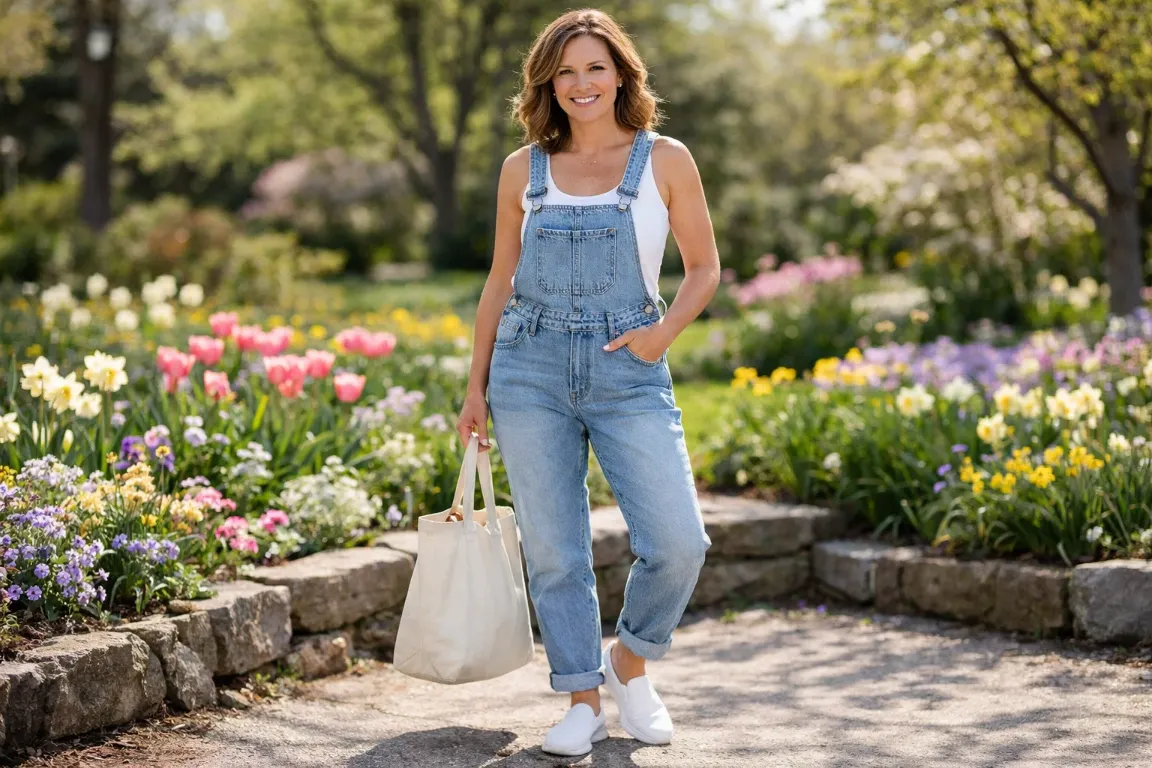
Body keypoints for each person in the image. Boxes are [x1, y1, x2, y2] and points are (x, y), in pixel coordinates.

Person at [456, 7, 720, 758]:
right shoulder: (522, 169)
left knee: (679, 542)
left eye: (595, 68)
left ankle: (628, 662)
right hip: (528, 369)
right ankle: (580, 698)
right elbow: (498, 281)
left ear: (621, 75)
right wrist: (474, 390)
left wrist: (661, 335)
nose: (581, 83)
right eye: (565, 71)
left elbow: (704, 268)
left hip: (628, 367)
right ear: (547, 82)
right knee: (555, 550)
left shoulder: (664, 159)